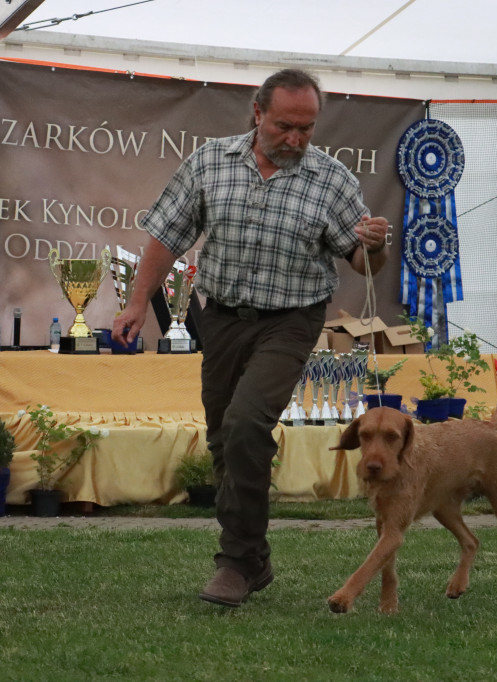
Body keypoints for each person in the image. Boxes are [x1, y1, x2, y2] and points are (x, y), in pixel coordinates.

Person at [111, 68, 391, 607]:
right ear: (257, 113)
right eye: (286, 126)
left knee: (246, 422)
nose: (297, 139)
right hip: (220, 319)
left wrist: (373, 243)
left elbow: (360, 260)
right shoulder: (210, 162)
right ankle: (256, 557)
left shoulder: (332, 180)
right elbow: (166, 236)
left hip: (291, 321)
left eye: (307, 129)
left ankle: (235, 562)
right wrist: (134, 303)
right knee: (224, 439)